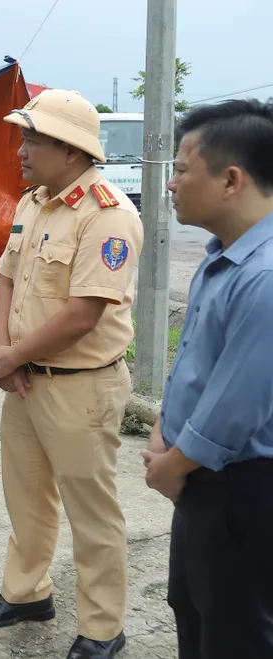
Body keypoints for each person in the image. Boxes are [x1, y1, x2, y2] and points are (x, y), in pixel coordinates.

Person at [0, 89, 143, 659]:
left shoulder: (107, 212)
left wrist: (12, 357)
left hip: (81, 387)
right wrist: (2, 350)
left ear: (70, 149)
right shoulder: (33, 203)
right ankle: (26, 593)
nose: (21, 150)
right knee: (26, 497)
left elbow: (83, 313)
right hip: (24, 381)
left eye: (33, 138)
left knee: (91, 514)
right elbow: (9, 282)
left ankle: (101, 628)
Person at [142, 99, 273, 659]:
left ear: (231, 180)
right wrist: (161, 430)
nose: (170, 184)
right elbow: (198, 364)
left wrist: (175, 463)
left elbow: (240, 401)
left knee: (236, 630)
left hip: (242, 487)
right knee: (195, 611)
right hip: (200, 476)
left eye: (180, 169)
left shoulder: (265, 275)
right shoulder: (223, 256)